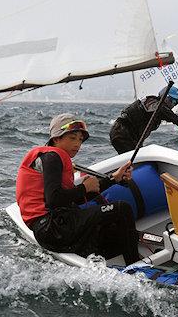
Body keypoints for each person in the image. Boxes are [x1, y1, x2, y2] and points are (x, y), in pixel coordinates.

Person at [16, 113, 141, 264]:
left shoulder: (52, 158)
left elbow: (77, 198)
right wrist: (83, 188)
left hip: (56, 228)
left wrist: (114, 178)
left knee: (114, 233)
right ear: (56, 139)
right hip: (52, 228)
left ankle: (106, 264)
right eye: (72, 138)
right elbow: (54, 200)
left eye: (80, 140)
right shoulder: (52, 158)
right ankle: (134, 265)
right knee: (122, 208)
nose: (77, 144)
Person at [109, 84, 178, 154]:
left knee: (138, 158)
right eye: (173, 101)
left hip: (132, 137)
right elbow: (161, 109)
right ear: (165, 97)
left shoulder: (160, 109)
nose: (174, 105)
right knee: (136, 161)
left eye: (176, 103)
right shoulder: (152, 103)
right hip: (121, 133)